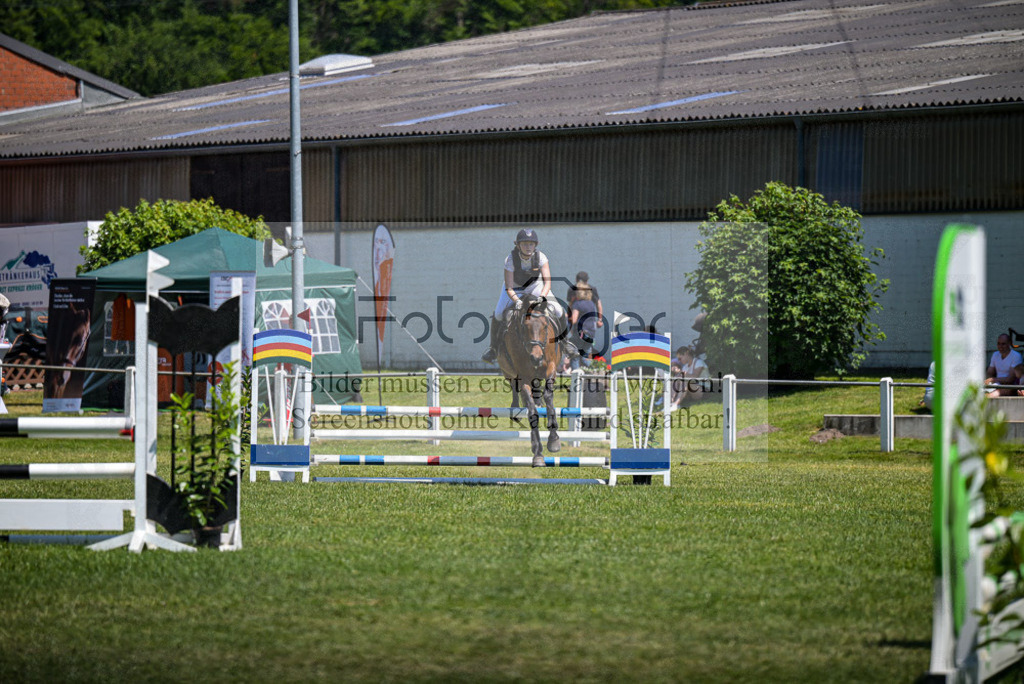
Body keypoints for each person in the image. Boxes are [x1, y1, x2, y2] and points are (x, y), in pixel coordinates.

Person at [482, 229, 577, 363]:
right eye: (525, 244)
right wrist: (516, 301)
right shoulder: (510, 259)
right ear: (518, 245)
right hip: (515, 288)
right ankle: (493, 348)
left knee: (558, 310)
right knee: (498, 313)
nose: (528, 247)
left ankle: (566, 343)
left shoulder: (541, 257)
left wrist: (542, 297)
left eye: (531, 244)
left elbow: (547, 282)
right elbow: (509, 287)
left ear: (535, 245)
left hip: (536, 287)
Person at [569, 282, 599, 371]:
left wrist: (567, 318)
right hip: (591, 333)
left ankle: (576, 377)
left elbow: (573, 320)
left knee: (574, 355)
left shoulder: (577, 304)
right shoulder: (591, 304)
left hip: (581, 332)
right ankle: (593, 372)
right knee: (585, 356)